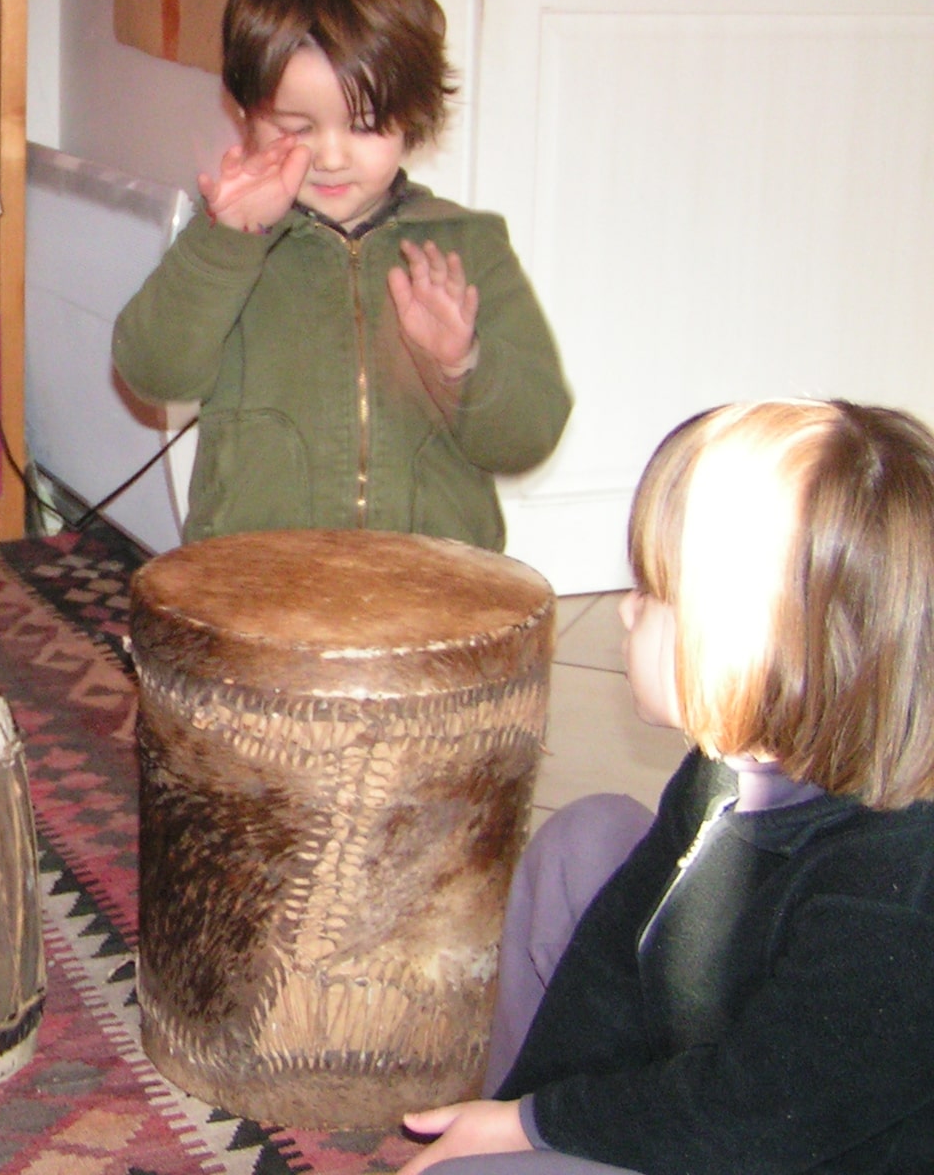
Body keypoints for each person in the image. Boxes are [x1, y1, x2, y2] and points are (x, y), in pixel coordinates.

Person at [400, 399, 934, 1174]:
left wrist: (547, 1128)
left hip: (773, 1142)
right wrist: (526, 1112)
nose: (625, 607)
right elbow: (614, 953)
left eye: (655, 592)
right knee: (585, 841)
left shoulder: (896, 901)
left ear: (761, 649)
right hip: (719, 1062)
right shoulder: (736, 761)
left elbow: (751, 1121)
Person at [111, 0, 571, 550]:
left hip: (431, 590)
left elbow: (530, 434)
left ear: (413, 113)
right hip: (258, 588)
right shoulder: (231, 244)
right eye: (298, 127)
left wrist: (463, 364)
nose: (330, 155)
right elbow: (152, 373)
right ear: (246, 112)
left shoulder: (468, 246)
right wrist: (227, 241)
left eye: (365, 125)